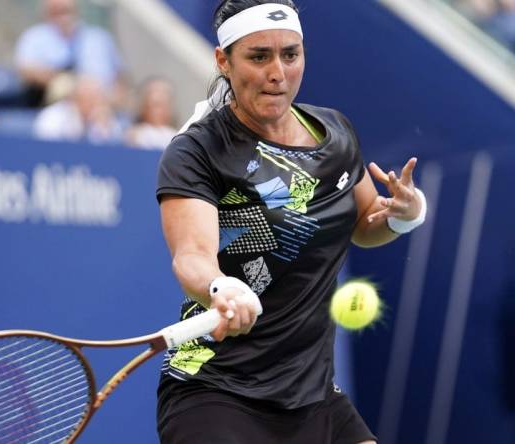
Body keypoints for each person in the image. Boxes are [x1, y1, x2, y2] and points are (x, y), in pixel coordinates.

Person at [154, 1, 427, 443]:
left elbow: (364, 223)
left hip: (313, 394)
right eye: (258, 56)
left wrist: (404, 216)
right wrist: (221, 287)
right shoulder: (197, 151)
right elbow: (192, 256)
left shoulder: (335, 132)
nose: (277, 72)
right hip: (217, 392)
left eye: (290, 54)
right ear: (223, 61)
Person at [14, 0, 124, 107]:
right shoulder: (34, 36)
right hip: (62, 108)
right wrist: (68, 81)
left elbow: (120, 78)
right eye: (57, 9)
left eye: (65, 9)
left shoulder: (99, 37)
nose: (62, 13)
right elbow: (26, 70)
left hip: (106, 106)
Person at [33, 75, 125, 144]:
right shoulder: (53, 115)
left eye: (96, 99)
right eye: (88, 98)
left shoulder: (103, 118)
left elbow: (115, 146)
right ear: (75, 98)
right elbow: (46, 143)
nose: (93, 104)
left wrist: (105, 127)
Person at [126, 77, 177, 149]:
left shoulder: (176, 137)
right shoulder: (135, 135)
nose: (159, 111)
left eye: (162, 104)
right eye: (155, 105)